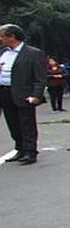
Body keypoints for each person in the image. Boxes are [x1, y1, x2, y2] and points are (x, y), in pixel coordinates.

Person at [0, 24, 47, 165]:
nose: (0, 39)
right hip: (4, 91)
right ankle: (19, 148)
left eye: (2, 36)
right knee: (12, 122)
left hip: (24, 93)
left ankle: (30, 151)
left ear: (12, 37)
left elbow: (40, 78)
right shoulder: (3, 52)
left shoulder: (33, 53)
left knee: (26, 123)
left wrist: (36, 95)